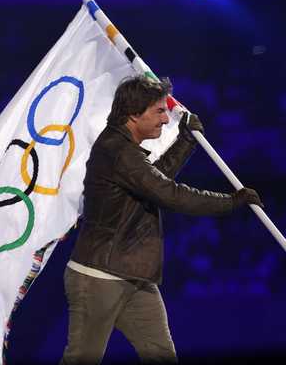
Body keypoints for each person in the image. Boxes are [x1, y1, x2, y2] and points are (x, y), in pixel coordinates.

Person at [60, 75, 263, 364]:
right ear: (133, 114)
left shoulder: (123, 149)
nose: (166, 119)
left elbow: (155, 182)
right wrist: (231, 202)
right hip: (98, 278)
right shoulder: (118, 152)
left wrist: (186, 141)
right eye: (159, 111)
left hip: (135, 278)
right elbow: (171, 195)